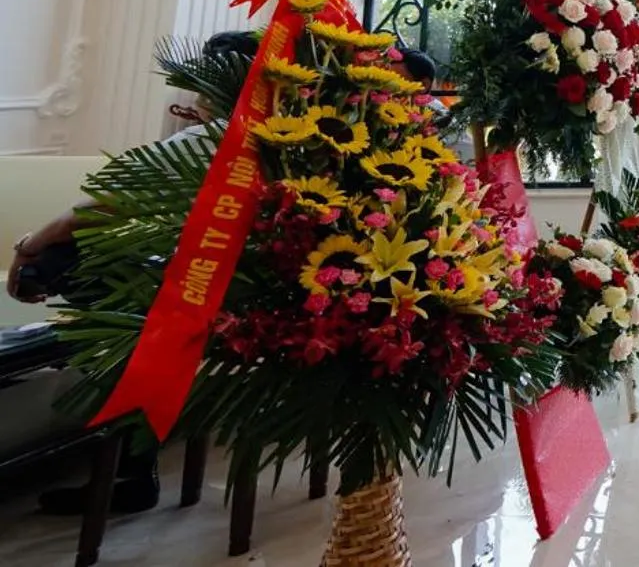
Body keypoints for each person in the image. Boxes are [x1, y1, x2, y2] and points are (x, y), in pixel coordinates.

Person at [5, 32, 438, 516]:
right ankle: (127, 439)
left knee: (67, 269)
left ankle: (126, 447)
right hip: (280, 310)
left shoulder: (214, 139)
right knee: (127, 301)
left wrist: (29, 247)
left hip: (203, 307)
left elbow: (98, 208)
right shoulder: (310, 143)